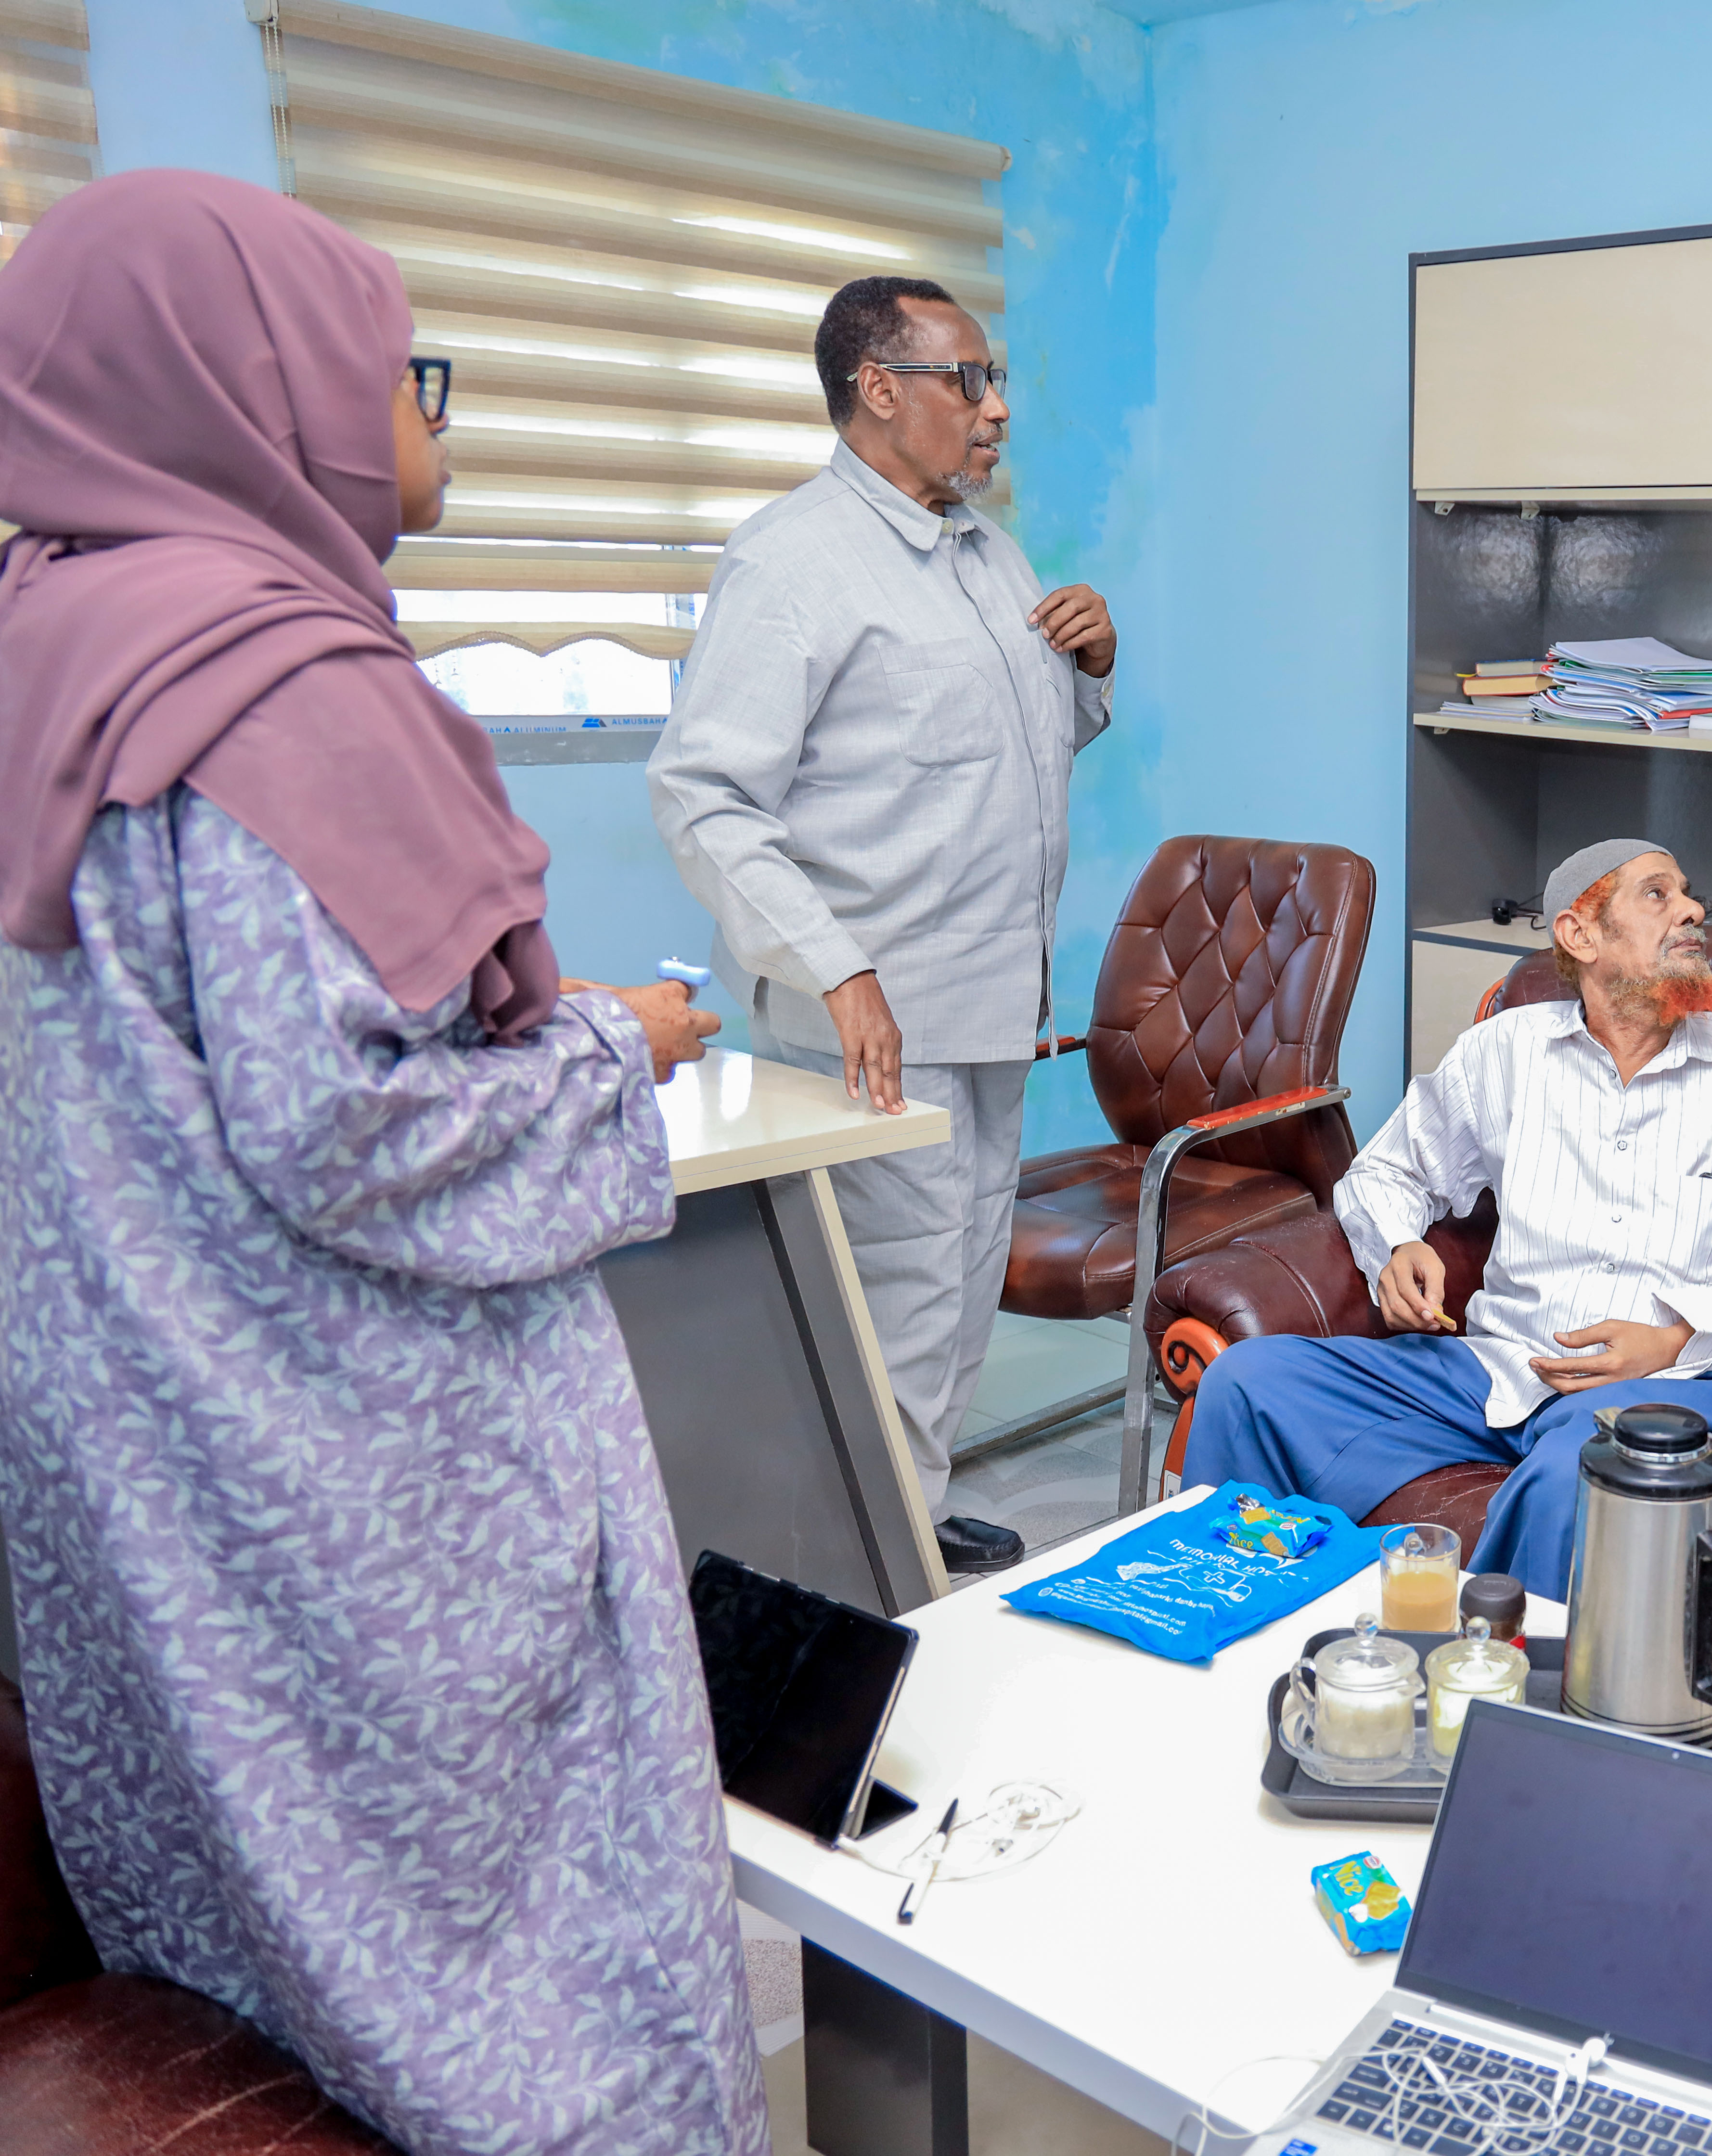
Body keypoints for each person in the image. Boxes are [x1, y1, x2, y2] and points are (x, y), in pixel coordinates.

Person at [0, 171, 760, 2151]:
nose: (425, 416)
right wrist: (617, 1044)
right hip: (358, 1480)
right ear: (253, 387)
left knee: (257, 1924)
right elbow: (361, 1131)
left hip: (139, 1453)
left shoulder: (47, 642)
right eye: (403, 371)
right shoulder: (284, 684)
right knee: (505, 1951)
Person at [650, 274, 1118, 1575]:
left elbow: (1012, 753)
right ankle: (871, 1560)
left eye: (994, 380)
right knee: (893, 1295)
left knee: (959, 1281)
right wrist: (839, 969)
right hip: (874, 1019)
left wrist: (1092, 669)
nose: (997, 408)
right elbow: (705, 797)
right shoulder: (793, 561)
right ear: (878, 389)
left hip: (989, 999)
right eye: (970, 380)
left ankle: (910, 1502)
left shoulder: (988, 551)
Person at [1181, 841, 1712, 1599]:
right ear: (1580, 934)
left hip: (1696, 1376)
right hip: (1506, 1367)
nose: (1693, 910)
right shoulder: (1505, 1053)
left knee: (1584, 1467)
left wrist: (1676, 1337)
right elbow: (1385, 1173)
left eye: (1688, 893)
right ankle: (1238, 1619)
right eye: (1657, 895)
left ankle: (1491, 1670)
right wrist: (1398, 1245)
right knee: (1250, 1382)